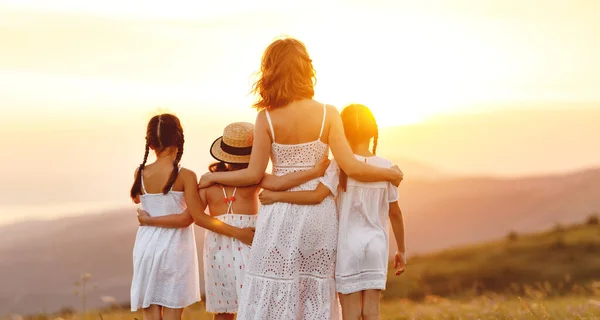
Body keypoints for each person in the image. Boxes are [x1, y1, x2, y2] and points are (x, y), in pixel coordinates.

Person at [197, 37, 403, 320]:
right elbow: (352, 167)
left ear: (270, 71)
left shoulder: (266, 117)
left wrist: (212, 177)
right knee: (313, 289)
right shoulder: (328, 113)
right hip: (318, 214)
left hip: (280, 213)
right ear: (306, 69)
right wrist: (389, 173)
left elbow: (254, 175)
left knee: (276, 287)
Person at [137, 121, 330, 320]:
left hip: (218, 248)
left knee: (223, 310)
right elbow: (282, 182)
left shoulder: (208, 181)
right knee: (254, 303)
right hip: (250, 241)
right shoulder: (255, 178)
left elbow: (199, 218)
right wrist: (314, 172)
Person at [260, 104, 407, 320]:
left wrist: (277, 196)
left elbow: (315, 196)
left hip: (347, 247)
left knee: (351, 313)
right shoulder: (387, 169)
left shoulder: (339, 166)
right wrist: (401, 250)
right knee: (371, 312)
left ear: (342, 132)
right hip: (377, 245)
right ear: (373, 131)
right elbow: (395, 214)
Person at [129, 114, 255, 320]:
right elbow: (190, 218)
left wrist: (149, 220)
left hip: (145, 245)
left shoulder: (140, 172)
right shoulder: (185, 175)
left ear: (150, 144)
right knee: (172, 311)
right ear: (179, 140)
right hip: (174, 248)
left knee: (149, 312)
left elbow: (137, 198)